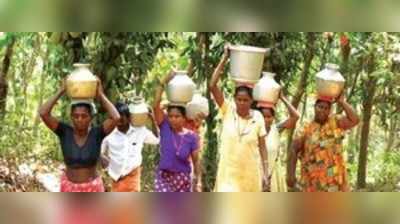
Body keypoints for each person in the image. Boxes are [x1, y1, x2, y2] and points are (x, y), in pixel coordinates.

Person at [39, 77, 120, 192]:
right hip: (69, 188)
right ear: (71, 117)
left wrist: (100, 95)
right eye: (76, 116)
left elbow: (116, 117)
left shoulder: (97, 133)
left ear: (91, 117)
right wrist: (61, 90)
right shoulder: (64, 132)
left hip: (93, 188)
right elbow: (43, 113)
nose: (80, 119)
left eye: (84, 116)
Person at [210, 44, 269, 192]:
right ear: (234, 99)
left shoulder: (258, 118)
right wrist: (225, 59)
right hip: (228, 177)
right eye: (239, 99)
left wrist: (266, 172)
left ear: (251, 101)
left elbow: (262, 146)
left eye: (245, 100)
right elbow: (212, 85)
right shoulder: (228, 110)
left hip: (250, 178)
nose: (241, 103)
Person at [287, 93, 360, 192]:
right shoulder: (305, 128)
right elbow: (293, 149)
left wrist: (342, 102)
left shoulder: (335, 121)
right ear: (315, 107)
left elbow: (355, 120)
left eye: (326, 108)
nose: (323, 110)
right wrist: (291, 176)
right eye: (320, 107)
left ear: (329, 110)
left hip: (335, 181)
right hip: (312, 183)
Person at [153, 70, 202, 192]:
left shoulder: (192, 137)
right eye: (170, 116)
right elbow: (155, 105)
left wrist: (198, 181)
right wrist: (163, 82)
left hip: (182, 179)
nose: (173, 120)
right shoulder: (164, 126)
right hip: (163, 177)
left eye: (177, 116)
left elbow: (196, 161)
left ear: (184, 118)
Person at [101, 102, 160, 192]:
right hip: (116, 179)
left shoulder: (139, 131)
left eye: (121, 118)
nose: (118, 121)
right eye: (116, 118)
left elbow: (156, 140)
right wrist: (102, 157)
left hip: (133, 177)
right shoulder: (109, 134)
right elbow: (97, 150)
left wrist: (153, 119)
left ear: (128, 118)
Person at [257, 92, 300, 192]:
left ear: (273, 118)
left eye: (269, 117)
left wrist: (282, 98)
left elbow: (295, 117)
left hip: (273, 175)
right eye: (263, 116)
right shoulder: (252, 130)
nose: (266, 120)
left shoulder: (276, 129)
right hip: (256, 174)